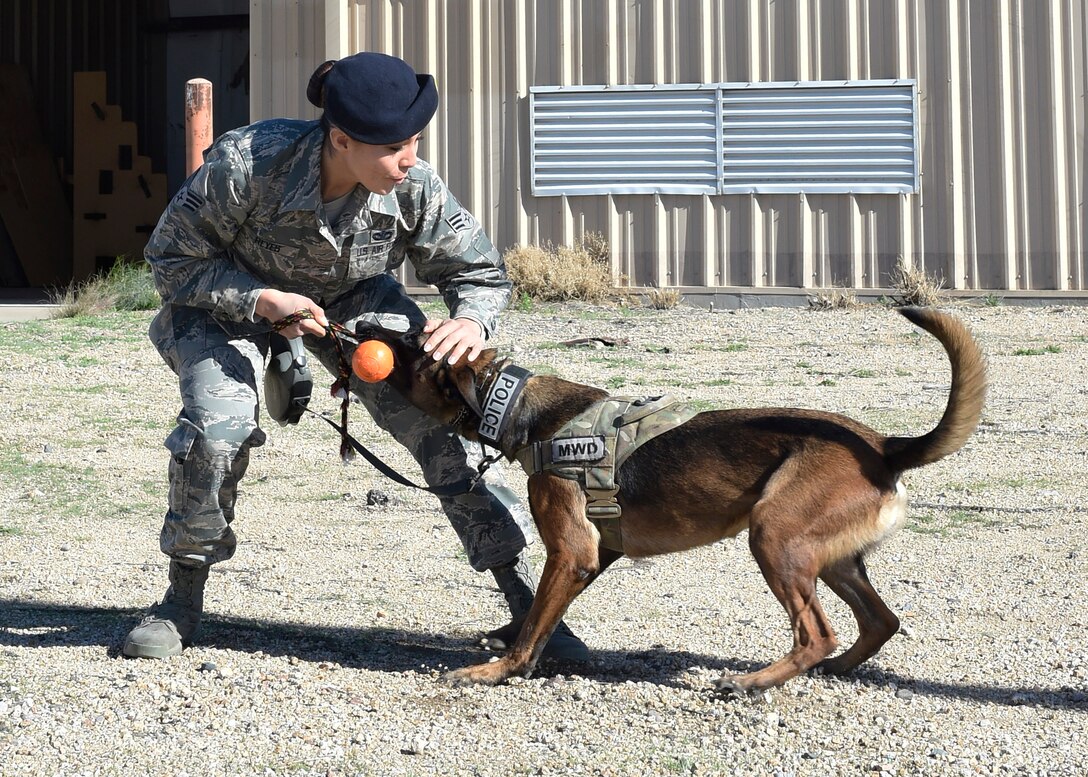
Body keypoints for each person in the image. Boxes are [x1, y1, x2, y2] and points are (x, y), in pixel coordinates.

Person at [122, 51, 588, 663]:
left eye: (416, 140)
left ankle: (525, 602)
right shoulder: (247, 164)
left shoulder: (413, 185)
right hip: (225, 304)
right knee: (218, 428)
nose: (411, 160)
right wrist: (260, 300)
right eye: (396, 147)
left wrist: (471, 319)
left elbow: (478, 270)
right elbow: (170, 261)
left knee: (445, 417)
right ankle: (182, 598)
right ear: (341, 139)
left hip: (351, 304)